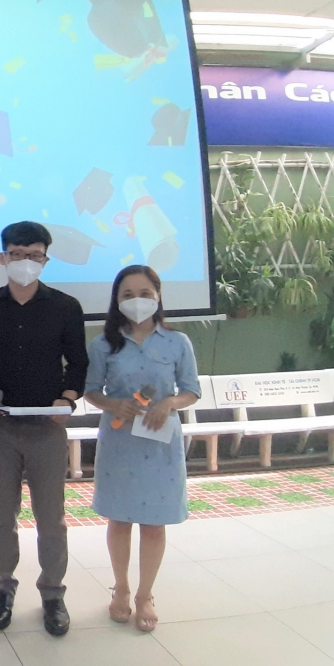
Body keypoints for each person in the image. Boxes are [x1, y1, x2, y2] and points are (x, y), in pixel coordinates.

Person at [0, 221, 88, 637]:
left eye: (35, 255)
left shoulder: (66, 306)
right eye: (18, 254)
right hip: (1, 427)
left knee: (51, 517)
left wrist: (67, 399)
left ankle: (53, 594)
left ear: (45, 260)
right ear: (4, 257)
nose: (26, 262)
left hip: (46, 426)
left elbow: (78, 362)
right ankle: (2, 589)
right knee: (1, 515)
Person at [84, 265, 199, 632]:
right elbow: (91, 391)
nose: (137, 301)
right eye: (128, 295)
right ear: (117, 301)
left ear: (158, 296)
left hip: (160, 442)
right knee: (119, 519)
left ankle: (145, 594)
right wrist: (113, 404)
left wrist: (170, 403)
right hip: (120, 442)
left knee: (154, 522)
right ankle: (120, 588)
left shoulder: (178, 342)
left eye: (145, 293)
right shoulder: (103, 345)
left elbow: (192, 390)